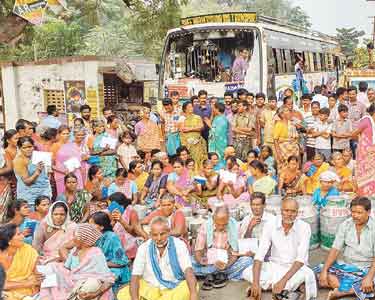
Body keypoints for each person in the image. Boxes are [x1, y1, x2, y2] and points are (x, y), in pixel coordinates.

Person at [246, 198, 317, 300]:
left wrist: (283, 281)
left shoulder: (304, 227)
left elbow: (301, 259)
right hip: (274, 265)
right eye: (286, 210)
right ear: (281, 211)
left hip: (295, 269)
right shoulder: (270, 225)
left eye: (293, 211)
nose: (289, 214)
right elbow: (260, 254)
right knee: (247, 272)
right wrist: (256, 282)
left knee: (305, 276)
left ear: (297, 213)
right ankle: (283, 290)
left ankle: (270, 288)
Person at [117, 216, 198, 300]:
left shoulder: (179, 245)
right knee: (123, 294)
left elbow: (188, 271)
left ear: (169, 232)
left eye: (162, 234)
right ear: (150, 234)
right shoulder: (143, 248)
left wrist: (193, 295)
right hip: (150, 288)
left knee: (190, 287)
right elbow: (135, 276)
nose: (159, 238)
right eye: (155, 235)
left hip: (174, 288)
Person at [317, 197, 375, 300]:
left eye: (359, 212)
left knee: (370, 281)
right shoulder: (346, 225)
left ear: (368, 212)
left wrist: (369, 278)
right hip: (347, 267)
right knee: (319, 272)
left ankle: (342, 292)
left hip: (368, 268)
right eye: (353, 212)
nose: (355, 216)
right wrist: (324, 271)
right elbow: (335, 249)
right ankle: (357, 289)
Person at [40, 223, 115, 300]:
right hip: (72, 281)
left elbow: (109, 279)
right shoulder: (75, 250)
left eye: (75, 236)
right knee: (50, 267)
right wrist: (52, 264)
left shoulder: (96, 253)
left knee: (92, 283)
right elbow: (67, 267)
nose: (73, 239)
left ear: (83, 238)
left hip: (86, 286)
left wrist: (94, 294)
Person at [193, 206, 252, 290]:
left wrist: (226, 265)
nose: (220, 227)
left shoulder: (235, 226)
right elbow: (198, 249)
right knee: (189, 261)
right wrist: (202, 261)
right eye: (218, 224)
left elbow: (234, 253)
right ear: (213, 218)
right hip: (209, 261)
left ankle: (211, 273)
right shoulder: (206, 225)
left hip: (227, 261)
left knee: (248, 260)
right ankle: (221, 274)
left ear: (228, 219)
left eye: (224, 224)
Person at [90, 212, 131, 292]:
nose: (89, 227)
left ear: (101, 227)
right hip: (102, 266)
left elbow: (121, 262)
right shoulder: (94, 236)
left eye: (92, 224)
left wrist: (99, 263)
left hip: (116, 269)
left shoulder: (112, 237)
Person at [0, 224, 41, 300]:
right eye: (19, 234)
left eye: (22, 233)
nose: (23, 236)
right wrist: (26, 283)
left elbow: (37, 273)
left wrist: (38, 279)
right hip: (5, 292)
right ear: (9, 240)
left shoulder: (28, 250)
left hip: (26, 291)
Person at [13, 137, 52, 207]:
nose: (28, 149)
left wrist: (48, 172)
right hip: (29, 197)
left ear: (33, 146)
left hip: (44, 194)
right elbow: (27, 182)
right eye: (24, 148)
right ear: (19, 148)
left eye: (30, 146)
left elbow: (47, 173)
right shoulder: (19, 161)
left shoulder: (39, 156)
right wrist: (37, 172)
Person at [239, 192, 275, 260]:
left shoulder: (272, 219)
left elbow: (274, 243)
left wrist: (258, 254)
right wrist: (250, 227)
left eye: (258, 205)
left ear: (264, 205)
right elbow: (243, 243)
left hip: (269, 256)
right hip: (250, 256)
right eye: (253, 205)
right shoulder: (246, 219)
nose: (255, 207)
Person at [111, 192, 147, 259]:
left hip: (129, 241)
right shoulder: (113, 211)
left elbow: (133, 232)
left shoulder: (131, 211)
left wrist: (121, 221)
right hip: (116, 240)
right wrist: (113, 222)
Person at [51, 125, 84, 194]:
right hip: (62, 175)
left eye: (67, 133)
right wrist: (64, 171)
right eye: (63, 134)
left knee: (77, 196)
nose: (66, 135)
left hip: (76, 173)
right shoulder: (55, 146)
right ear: (59, 134)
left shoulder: (73, 145)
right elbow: (51, 164)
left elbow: (77, 160)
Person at [352, 103, 375, 195]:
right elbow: (353, 134)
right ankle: (364, 195)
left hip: (373, 155)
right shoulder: (366, 120)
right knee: (364, 175)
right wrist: (364, 145)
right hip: (364, 155)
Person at [180, 101, 207, 170]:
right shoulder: (182, 119)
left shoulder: (197, 117)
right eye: (189, 107)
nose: (191, 108)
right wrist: (185, 142)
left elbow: (201, 127)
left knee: (198, 159)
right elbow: (182, 130)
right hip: (187, 142)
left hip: (197, 142)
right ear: (185, 109)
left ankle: (197, 172)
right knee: (188, 159)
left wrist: (190, 129)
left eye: (191, 106)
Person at [347, 86, 366, 158]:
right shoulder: (344, 105)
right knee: (347, 156)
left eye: (353, 94)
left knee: (357, 155)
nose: (351, 96)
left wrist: (359, 133)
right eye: (350, 94)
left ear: (356, 94)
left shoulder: (361, 106)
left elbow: (364, 122)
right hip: (346, 136)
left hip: (356, 136)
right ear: (347, 94)